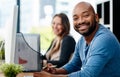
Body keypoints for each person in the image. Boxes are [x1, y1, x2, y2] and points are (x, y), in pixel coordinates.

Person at [34, 1, 120, 77]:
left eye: (85, 15)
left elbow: (88, 74)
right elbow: (74, 65)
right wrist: (55, 71)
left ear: (96, 17)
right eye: (76, 18)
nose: (80, 21)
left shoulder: (104, 39)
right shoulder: (82, 41)